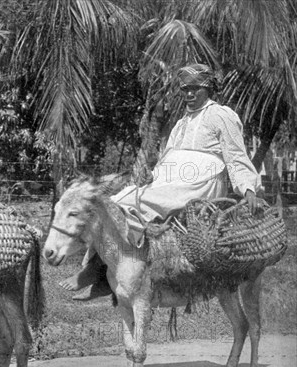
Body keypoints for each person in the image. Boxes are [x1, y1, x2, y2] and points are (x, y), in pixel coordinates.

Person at [61, 63, 261, 299]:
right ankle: (100, 269)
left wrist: (248, 188)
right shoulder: (181, 123)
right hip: (170, 182)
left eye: (195, 88)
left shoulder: (220, 115)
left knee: (134, 203)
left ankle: (98, 275)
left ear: (208, 89)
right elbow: (167, 157)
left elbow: (236, 155)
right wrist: (154, 176)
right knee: (115, 202)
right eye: (185, 89)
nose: (189, 94)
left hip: (199, 185)